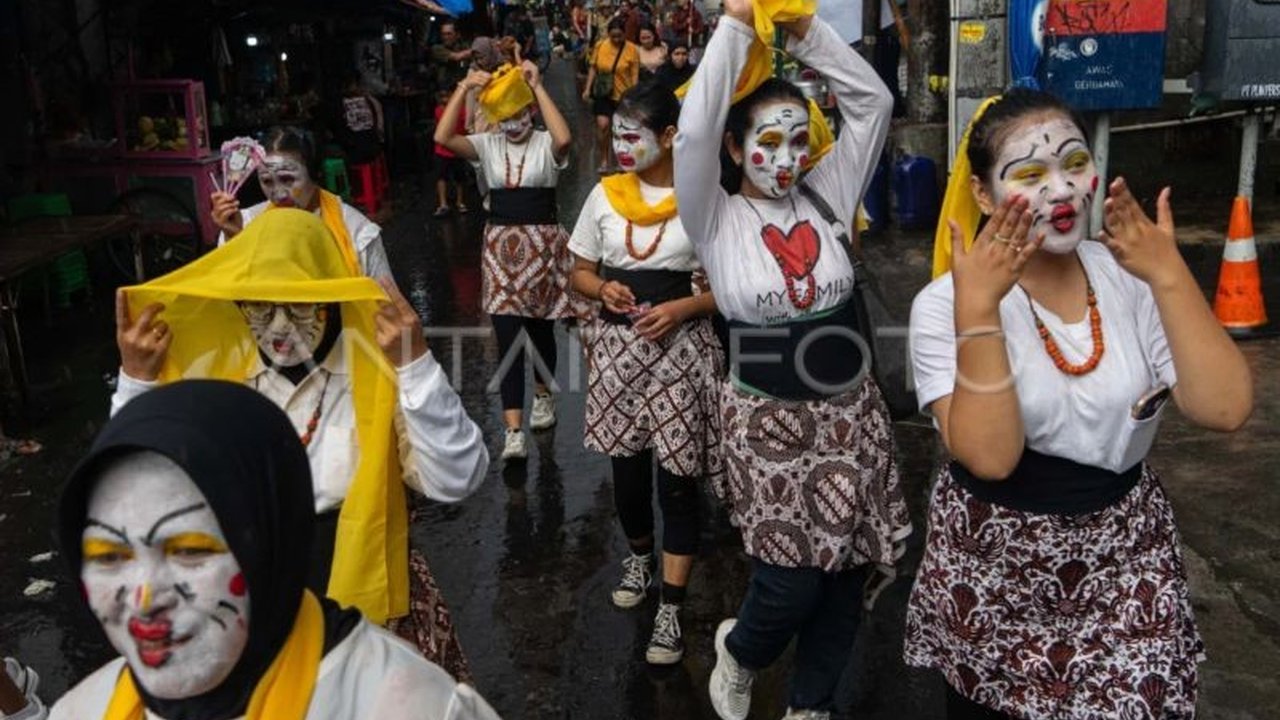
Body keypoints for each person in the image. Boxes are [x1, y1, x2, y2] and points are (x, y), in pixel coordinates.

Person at [903, 88, 1253, 719]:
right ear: (983, 196)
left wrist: (1168, 273)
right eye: (1031, 175)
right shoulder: (941, 305)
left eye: (1075, 164)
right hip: (995, 569)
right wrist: (979, 311)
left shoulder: (1130, 276)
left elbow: (1226, 408)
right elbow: (991, 457)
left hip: (1124, 553)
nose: (1062, 191)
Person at [110, 208, 488, 681]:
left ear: (331, 299)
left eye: (299, 306)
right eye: (260, 308)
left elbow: (457, 479)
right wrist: (137, 384)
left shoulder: (379, 371)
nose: (280, 329)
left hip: (368, 599)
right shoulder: (214, 379)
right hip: (246, 605)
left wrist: (416, 368)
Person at [673, 1, 909, 718]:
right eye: (767, 143)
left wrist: (805, 32)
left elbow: (874, 100)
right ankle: (741, 652)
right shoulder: (712, 217)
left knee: (846, 576)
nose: (785, 159)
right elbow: (691, 131)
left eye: (798, 142)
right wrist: (739, 25)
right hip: (767, 425)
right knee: (790, 582)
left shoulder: (828, 193)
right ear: (736, 149)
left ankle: (811, 702)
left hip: (850, 416)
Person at [51, 380, 502, 720]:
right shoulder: (81, 712)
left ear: (270, 544)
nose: (145, 598)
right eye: (109, 557)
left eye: (189, 551)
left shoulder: (406, 707)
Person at [568, 80, 722, 667]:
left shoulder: (703, 197)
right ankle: (639, 557)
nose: (623, 145)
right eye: (618, 133)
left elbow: (730, 288)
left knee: (677, 481)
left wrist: (682, 308)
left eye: (636, 135)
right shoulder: (604, 196)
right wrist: (600, 286)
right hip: (617, 354)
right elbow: (577, 270)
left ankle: (672, 609)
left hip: (682, 353)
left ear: (668, 136)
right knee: (627, 476)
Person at [435, 61, 576, 462]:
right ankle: (513, 429)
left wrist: (538, 87)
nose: (514, 124)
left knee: (540, 333)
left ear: (530, 111)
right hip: (499, 252)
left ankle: (544, 395)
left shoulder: (545, 142)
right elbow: (443, 136)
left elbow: (564, 139)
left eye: (521, 114)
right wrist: (464, 87)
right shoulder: (486, 146)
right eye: (506, 117)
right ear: (496, 120)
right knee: (509, 336)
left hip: (543, 248)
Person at [209, 125, 392, 280]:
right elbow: (233, 298)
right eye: (267, 182)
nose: (278, 194)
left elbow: (384, 306)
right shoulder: (246, 222)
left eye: (287, 179)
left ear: (315, 174)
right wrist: (236, 239)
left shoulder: (357, 232)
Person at [582, 19, 640, 174]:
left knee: (620, 130)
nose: (616, 40)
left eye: (619, 36)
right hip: (603, 93)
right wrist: (587, 88)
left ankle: (620, 158)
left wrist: (634, 97)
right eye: (613, 36)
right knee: (603, 125)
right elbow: (593, 68)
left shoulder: (632, 50)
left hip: (623, 96)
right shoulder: (600, 45)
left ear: (624, 34)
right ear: (608, 34)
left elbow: (635, 76)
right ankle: (604, 159)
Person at [433, 87, 471, 217]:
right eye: (442, 96)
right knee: (442, 177)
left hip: (456, 149)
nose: (444, 99)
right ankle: (444, 204)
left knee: (459, 178)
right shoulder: (440, 110)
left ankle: (458, 202)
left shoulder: (461, 110)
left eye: (447, 96)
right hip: (443, 149)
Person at [334, 72, 385, 166]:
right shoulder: (371, 101)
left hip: (354, 151)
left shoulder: (340, 104)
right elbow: (378, 128)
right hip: (374, 146)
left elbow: (339, 130)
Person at [431, 19, 473, 92]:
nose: (445, 37)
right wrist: (477, 49)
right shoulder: (437, 49)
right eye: (443, 34)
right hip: (445, 91)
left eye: (449, 34)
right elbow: (457, 57)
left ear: (457, 35)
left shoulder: (463, 46)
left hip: (463, 89)